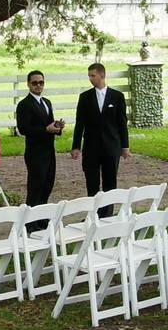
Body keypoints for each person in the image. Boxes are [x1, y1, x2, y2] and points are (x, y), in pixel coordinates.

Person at [71, 63, 130, 218]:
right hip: (91, 147)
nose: (90, 79)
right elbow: (80, 123)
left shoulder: (117, 97)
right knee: (92, 181)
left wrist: (125, 146)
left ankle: (108, 214)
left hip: (112, 146)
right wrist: (76, 146)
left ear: (102, 75)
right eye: (89, 76)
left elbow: (122, 123)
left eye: (93, 75)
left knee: (110, 181)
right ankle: (94, 213)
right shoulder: (85, 98)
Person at [16, 70, 64, 227]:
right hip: (35, 152)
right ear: (28, 84)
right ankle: (29, 222)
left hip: (49, 151)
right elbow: (23, 129)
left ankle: (41, 217)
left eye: (41, 82)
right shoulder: (24, 104)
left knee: (47, 185)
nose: (38, 85)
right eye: (35, 82)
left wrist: (57, 126)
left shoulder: (47, 102)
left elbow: (49, 123)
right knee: (36, 186)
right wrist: (45, 130)